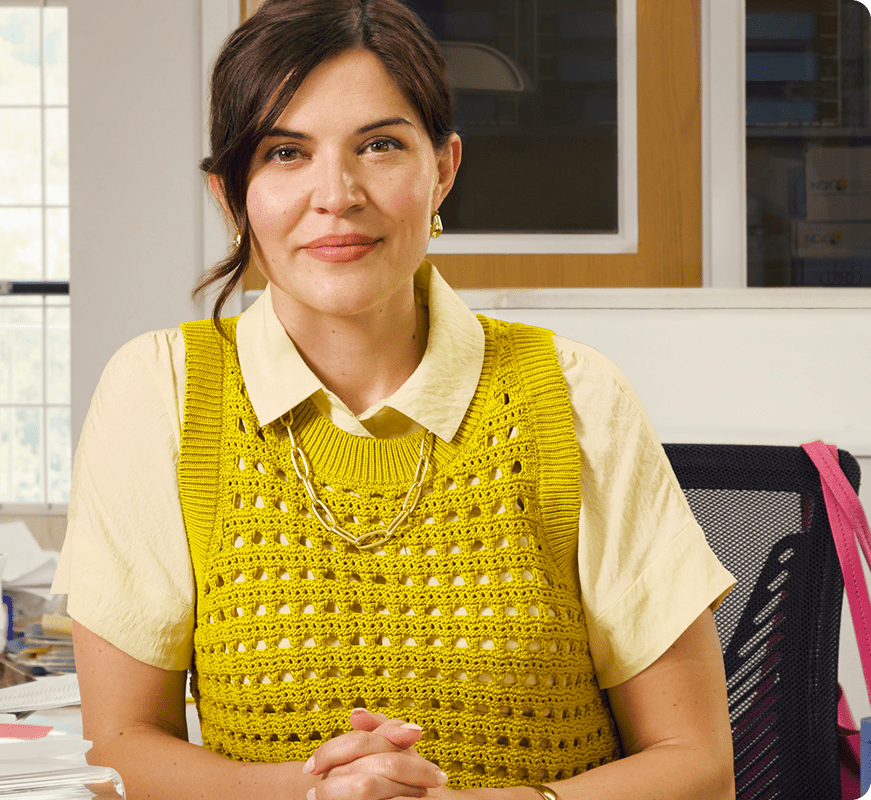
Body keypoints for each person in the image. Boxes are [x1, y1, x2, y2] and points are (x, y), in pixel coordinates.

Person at [50, 1, 737, 799]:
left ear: (442, 169)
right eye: (284, 153)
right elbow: (119, 751)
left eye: (379, 145)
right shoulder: (161, 392)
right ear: (231, 194)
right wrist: (314, 793)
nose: (335, 193)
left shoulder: (575, 393)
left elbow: (700, 765)